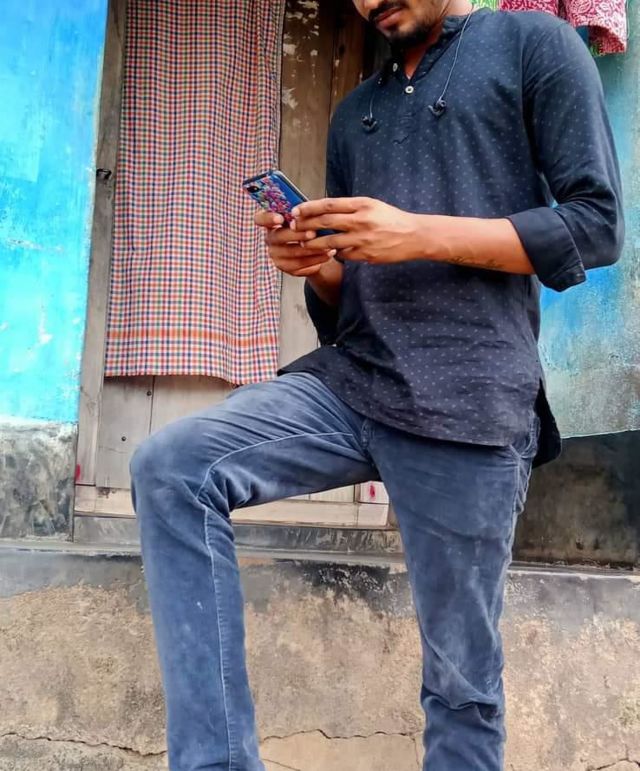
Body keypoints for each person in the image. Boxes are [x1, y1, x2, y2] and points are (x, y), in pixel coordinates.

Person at [130, 0, 624, 768]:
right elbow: (347, 298)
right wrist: (317, 267)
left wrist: (415, 232)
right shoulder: (355, 113)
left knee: (461, 686)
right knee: (171, 467)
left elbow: (596, 225)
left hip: (469, 395)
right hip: (354, 381)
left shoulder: (534, 44)